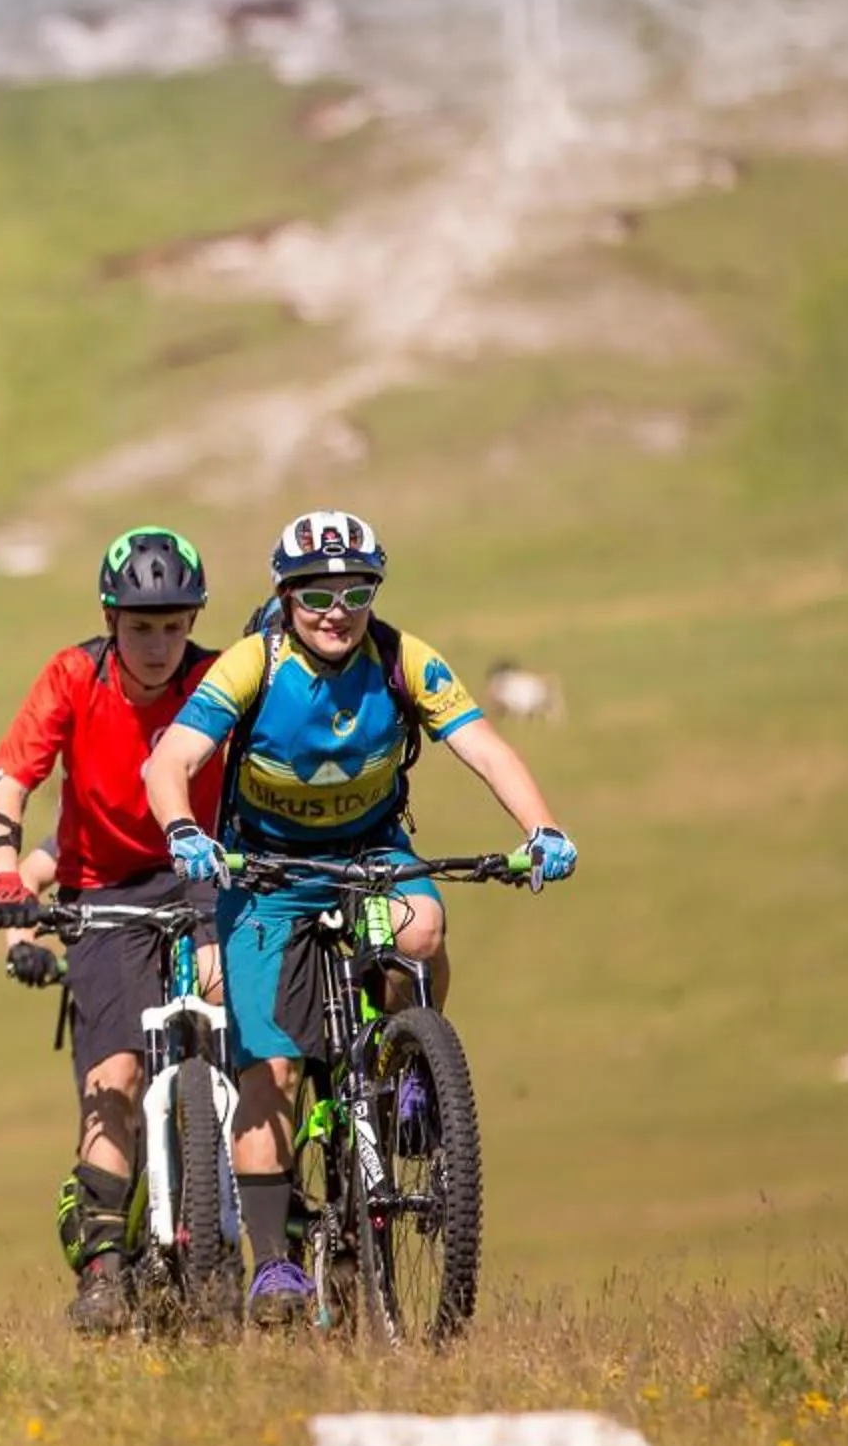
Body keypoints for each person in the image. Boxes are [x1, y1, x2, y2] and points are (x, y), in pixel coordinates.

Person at [139, 510, 575, 1327]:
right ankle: (273, 1263)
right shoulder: (251, 664)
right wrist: (185, 833)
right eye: (314, 595)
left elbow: (485, 746)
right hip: (265, 869)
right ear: (285, 596)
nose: (335, 610)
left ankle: (409, 1072)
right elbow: (171, 760)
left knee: (420, 928)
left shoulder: (404, 659)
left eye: (355, 591)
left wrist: (541, 829)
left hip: (371, 851)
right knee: (268, 1069)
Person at [0, 527, 232, 1334]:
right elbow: (6, 784)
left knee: (251, 1043)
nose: (158, 645)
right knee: (114, 1078)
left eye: (174, 625)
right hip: (103, 892)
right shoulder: (73, 676)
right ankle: (101, 1271)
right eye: (141, 626)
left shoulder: (219, 680)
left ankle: (275, 1227)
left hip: (206, 879)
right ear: (110, 619)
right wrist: (3, 875)